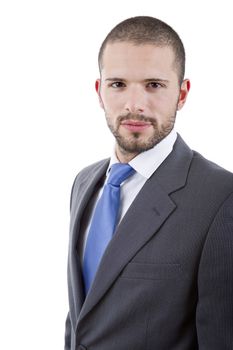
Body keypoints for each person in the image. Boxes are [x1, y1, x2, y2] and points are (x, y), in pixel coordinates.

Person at [65, 16, 233, 350]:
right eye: (118, 85)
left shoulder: (221, 198)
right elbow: (83, 318)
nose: (134, 105)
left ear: (182, 94)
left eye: (154, 85)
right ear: (100, 92)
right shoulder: (85, 182)